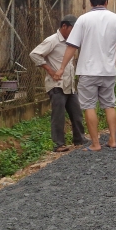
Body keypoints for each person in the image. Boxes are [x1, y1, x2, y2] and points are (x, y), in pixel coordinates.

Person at [54, 0, 116, 150]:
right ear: (106, 2)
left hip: (88, 71)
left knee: (89, 106)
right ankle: (112, 140)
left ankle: (95, 144)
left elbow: (72, 46)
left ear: (90, 2)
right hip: (108, 71)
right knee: (109, 104)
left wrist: (61, 68)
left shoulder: (83, 20)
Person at [29, 15, 86, 153]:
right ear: (64, 26)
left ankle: (79, 139)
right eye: (72, 28)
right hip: (56, 85)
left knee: (77, 113)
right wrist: (50, 70)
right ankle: (59, 144)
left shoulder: (71, 42)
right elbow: (34, 54)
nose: (75, 32)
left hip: (69, 84)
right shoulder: (52, 40)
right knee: (58, 116)